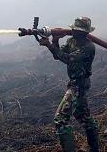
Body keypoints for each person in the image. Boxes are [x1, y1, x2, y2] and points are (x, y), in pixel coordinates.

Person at [39, 17, 99, 152]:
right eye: (74, 29)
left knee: (60, 120)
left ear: (85, 33)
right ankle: (94, 148)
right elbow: (57, 55)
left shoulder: (88, 47)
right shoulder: (72, 41)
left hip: (79, 85)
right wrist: (55, 40)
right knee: (82, 115)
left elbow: (67, 59)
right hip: (74, 83)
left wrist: (49, 44)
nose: (74, 32)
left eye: (77, 30)